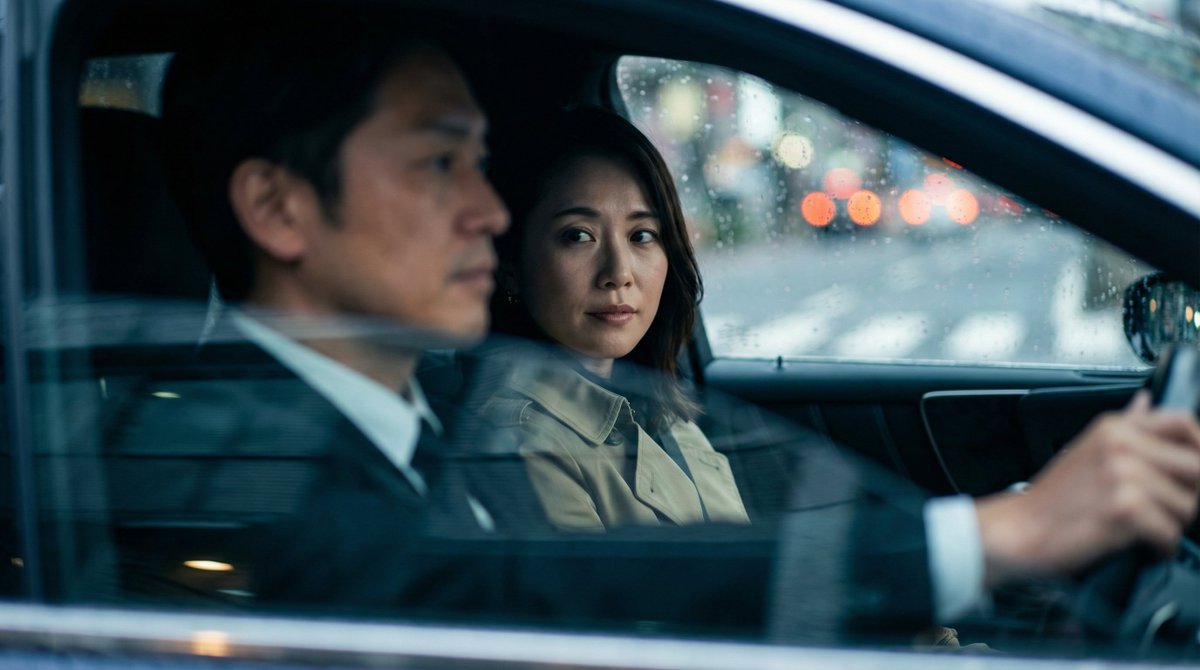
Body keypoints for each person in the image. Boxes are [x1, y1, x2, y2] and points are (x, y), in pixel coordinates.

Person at [144, 14, 1200, 643]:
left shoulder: (398, 419)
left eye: (479, 161)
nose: (491, 212)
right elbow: (548, 588)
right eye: (437, 163)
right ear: (279, 208)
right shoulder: (227, 458)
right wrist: (995, 536)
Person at [481, 107, 748, 530]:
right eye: (578, 235)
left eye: (642, 235)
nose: (619, 273)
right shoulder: (523, 443)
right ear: (512, 265)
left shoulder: (661, 410)